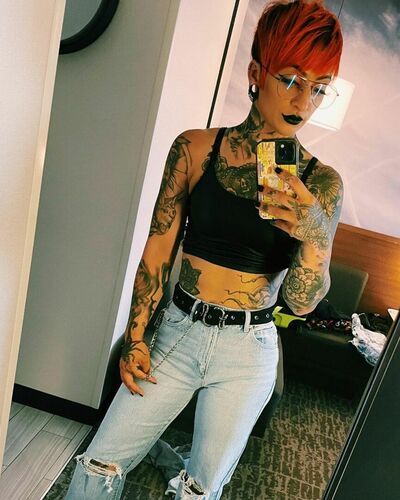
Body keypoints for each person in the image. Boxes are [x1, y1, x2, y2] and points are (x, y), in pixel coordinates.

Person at [66, 0, 344, 498]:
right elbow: (158, 252)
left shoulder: (322, 182)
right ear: (256, 73)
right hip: (179, 330)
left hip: (249, 349)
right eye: (290, 79)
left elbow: (301, 302)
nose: (304, 101)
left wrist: (315, 231)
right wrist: (136, 336)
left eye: (319, 88)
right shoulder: (194, 149)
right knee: (100, 460)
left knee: (201, 488)